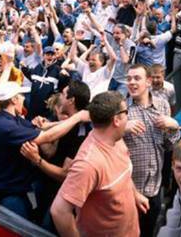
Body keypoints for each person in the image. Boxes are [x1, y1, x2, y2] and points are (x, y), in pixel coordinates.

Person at [0, 75, 93, 218]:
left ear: (71, 100)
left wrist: (56, 123)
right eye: (21, 95)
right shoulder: (7, 125)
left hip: (51, 193)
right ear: (13, 100)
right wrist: (76, 118)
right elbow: (45, 137)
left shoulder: (13, 120)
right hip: (7, 191)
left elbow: (40, 130)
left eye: (63, 94)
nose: (24, 98)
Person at [51, 91, 145, 237]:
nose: (129, 117)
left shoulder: (116, 139)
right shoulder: (89, 164)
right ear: (116, 120)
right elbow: (59, 211)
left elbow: (123, 172)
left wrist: (135, 194)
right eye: (126, 112)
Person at [123, 64, 179, 237]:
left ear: (148, 81)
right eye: (129, 78)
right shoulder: (121, 108)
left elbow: (169, 145)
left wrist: (173, 127)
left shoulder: (162, 105)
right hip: (129, 189)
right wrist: (121, 128)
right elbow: (108, 142)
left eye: (136, 78)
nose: (131, 82)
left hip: (154, 189)